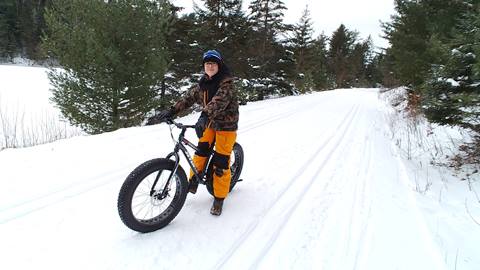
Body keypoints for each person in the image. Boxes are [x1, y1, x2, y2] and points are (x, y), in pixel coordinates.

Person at [147, 50, 239, 216]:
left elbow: (218, 103)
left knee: (221, 162)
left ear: (219, 65)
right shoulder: (203, 84)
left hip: (226, 126)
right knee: (201, 151)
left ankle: (219, 197)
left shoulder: (227, 84)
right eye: (207, 63)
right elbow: (188, 98)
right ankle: (194, 180)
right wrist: (172, 111)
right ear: (204, 66)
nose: (210, 66)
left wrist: (203, 117)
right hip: (210, 122)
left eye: (213, 63)